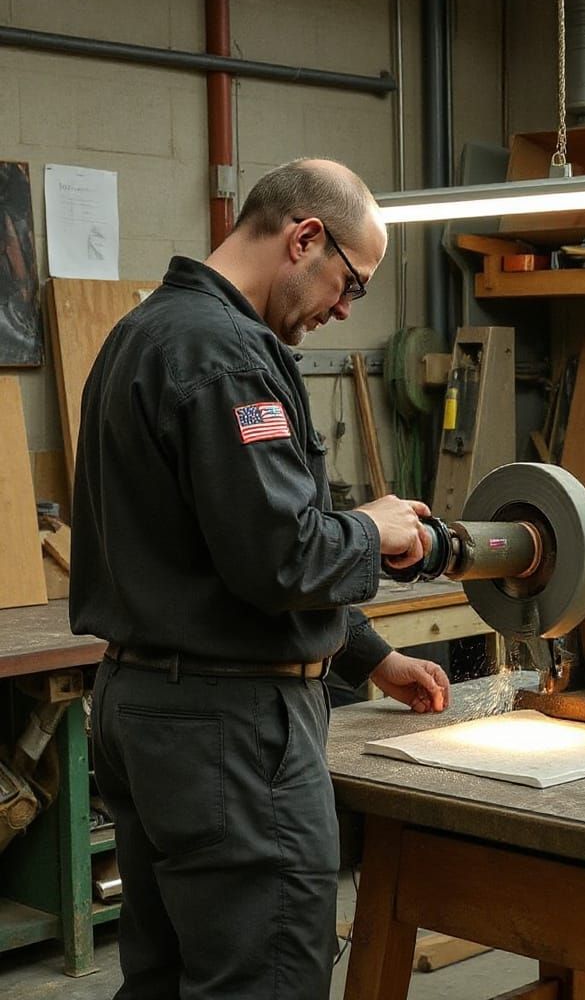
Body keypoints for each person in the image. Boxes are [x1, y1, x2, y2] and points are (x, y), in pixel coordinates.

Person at [70, 159, 451, 1000]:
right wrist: (371, 527)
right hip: (229, 731)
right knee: (262, 979)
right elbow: (282, 556)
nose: (345, 309)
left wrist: (369, 656)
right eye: (351, 283)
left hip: (147, 710)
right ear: (305, 238)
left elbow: (210, 550)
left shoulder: (144, 331)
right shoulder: (230, 355)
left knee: (164, 978)